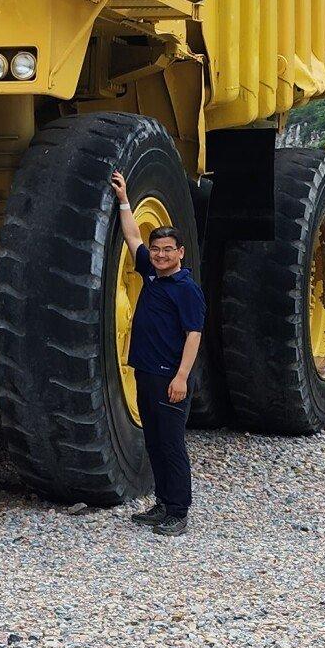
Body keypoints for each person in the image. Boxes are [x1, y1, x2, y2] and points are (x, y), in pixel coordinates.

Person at [110, 170, 205, 535]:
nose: (161, 255)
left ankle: (178, 512)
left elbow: (194, 335)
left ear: (180, 253)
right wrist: (124, 200)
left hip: (170, 377)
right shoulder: (151, 270)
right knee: (154, 441)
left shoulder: (186, 289)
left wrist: (181, 377)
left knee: (171, 444)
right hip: (147, 373)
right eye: (158, 249)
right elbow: (132, 235)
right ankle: (163, 503)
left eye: (168, 250)